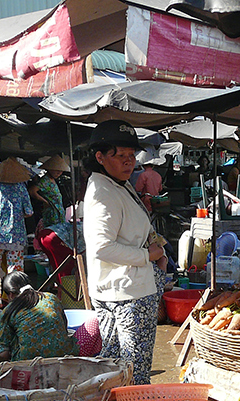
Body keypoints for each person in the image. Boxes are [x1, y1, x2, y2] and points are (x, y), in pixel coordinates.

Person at [83, 119, 166, 386]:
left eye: (131, 155)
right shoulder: (103, 192)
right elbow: (101, 247)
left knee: (118, 368)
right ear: (100, 157)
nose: (129, 161)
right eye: (120, 156)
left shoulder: (118, 184)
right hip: (127, 293)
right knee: (134, 371)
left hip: (122, 288)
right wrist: (147, 256)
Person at [0, 157, 33, 307]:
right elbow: (29, 212)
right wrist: (16, 216)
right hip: (16, 236)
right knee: (14, 270)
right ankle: (16, 301)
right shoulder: (21, 187)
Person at [0, 271, 79, 361]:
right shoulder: (51, 297)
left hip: (27, 364)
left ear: (10, 295)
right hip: (64, 356)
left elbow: (2, 353)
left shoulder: (9, 311)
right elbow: (64, 326)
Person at [33, 156, 83, 277]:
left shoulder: (53, 180)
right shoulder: (44, 180)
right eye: (56, 171)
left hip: (58, 214)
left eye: (60, 171)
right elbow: (33, 191)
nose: (58, 173)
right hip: (51, 215)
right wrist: (45, 201)